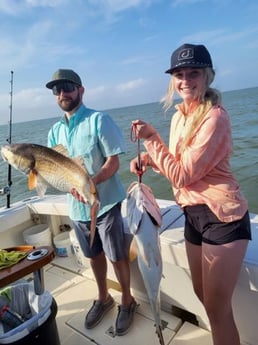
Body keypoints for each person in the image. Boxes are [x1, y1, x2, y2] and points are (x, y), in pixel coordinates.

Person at [130, 43, 251, 345]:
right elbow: (179, 164)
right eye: (179, 74)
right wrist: (149, 158)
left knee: (217, 308)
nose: (185, 80)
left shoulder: (215, 118)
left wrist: (150, 139)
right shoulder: (178, 116)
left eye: (193, 72)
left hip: (222, 217)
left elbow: (182, 175)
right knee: (202, 295)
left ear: (208, 75)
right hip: (193, 215)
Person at [46, 69, 137, 336]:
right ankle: (103, 297)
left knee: (116, 255)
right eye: (57, 90)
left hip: (105, 203)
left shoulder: (99, 120)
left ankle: (128, 301)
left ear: (81, 90)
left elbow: (114, 161)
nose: (63, 93)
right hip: (76, 208)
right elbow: (53, 170)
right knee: (93, 255)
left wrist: (92, 183)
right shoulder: (54, 131)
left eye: (67, 87)